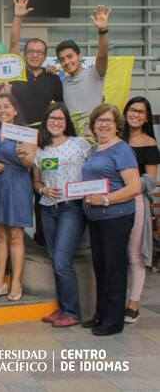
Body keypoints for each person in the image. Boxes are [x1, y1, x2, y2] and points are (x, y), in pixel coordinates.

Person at [81, 104, 141, 336]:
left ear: (117, 125)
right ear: (93, 125)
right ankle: (101, 314)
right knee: (101, 267)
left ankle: (113, 321)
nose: (103, 124)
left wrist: (105, 200)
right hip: (96, 218)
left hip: (116, 217)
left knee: (114, 268)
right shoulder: (94, 149)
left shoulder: (122, 149)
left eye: (108, 120)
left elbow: (134, 187)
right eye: (99, 120)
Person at [33, 103, 90, 327]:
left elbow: (94, 169)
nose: (56, 122)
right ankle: (63, 308)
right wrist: (43, 189)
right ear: (46, 122)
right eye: (52, 118)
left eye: (60, 118)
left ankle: (71, 312)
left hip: (72, 208)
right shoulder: (41, 149)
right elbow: (36, 181)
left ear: (67, 122)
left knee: (61, 260)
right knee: (55, 259)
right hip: (48, 208)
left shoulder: (80, 144)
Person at [0, 93, 34, 301]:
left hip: (18, 185)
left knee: (15, 235)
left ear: (15, 110)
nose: (2, 110)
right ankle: (0, 281)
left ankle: (16, 282)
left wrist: (24, 156)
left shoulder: (26, 133)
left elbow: (30, 163)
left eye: (7, 107)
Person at [121, 97, 160, 324]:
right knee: (116, 255)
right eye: (132, 110)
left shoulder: (149, 144)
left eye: (141, 112)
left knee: (135, 255)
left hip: (136, 203)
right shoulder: (116, 139)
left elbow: (151, 181)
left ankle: (133, 303)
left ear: (146, 117)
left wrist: (130, 186)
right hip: (112, 204)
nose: (135, 114)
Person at [8, 0, 63, 124]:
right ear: (24, 54)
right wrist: (18, 18)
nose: (34, 55)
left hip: (44, 133)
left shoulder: (53, 78)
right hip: (18, 131)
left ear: (44, 56)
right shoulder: (16, 73)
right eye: (31, 51)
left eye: (39, 52)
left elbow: (60, 107)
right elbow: (14, 43)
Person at [56, 6, 111, 117]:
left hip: (95, 132)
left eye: (70, 56)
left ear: (79, 56)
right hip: (73, 134)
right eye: (62, 59)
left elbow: (102, 55)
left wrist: (102, 31)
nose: (67, 62)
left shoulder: (94, 73)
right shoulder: (64, 83)